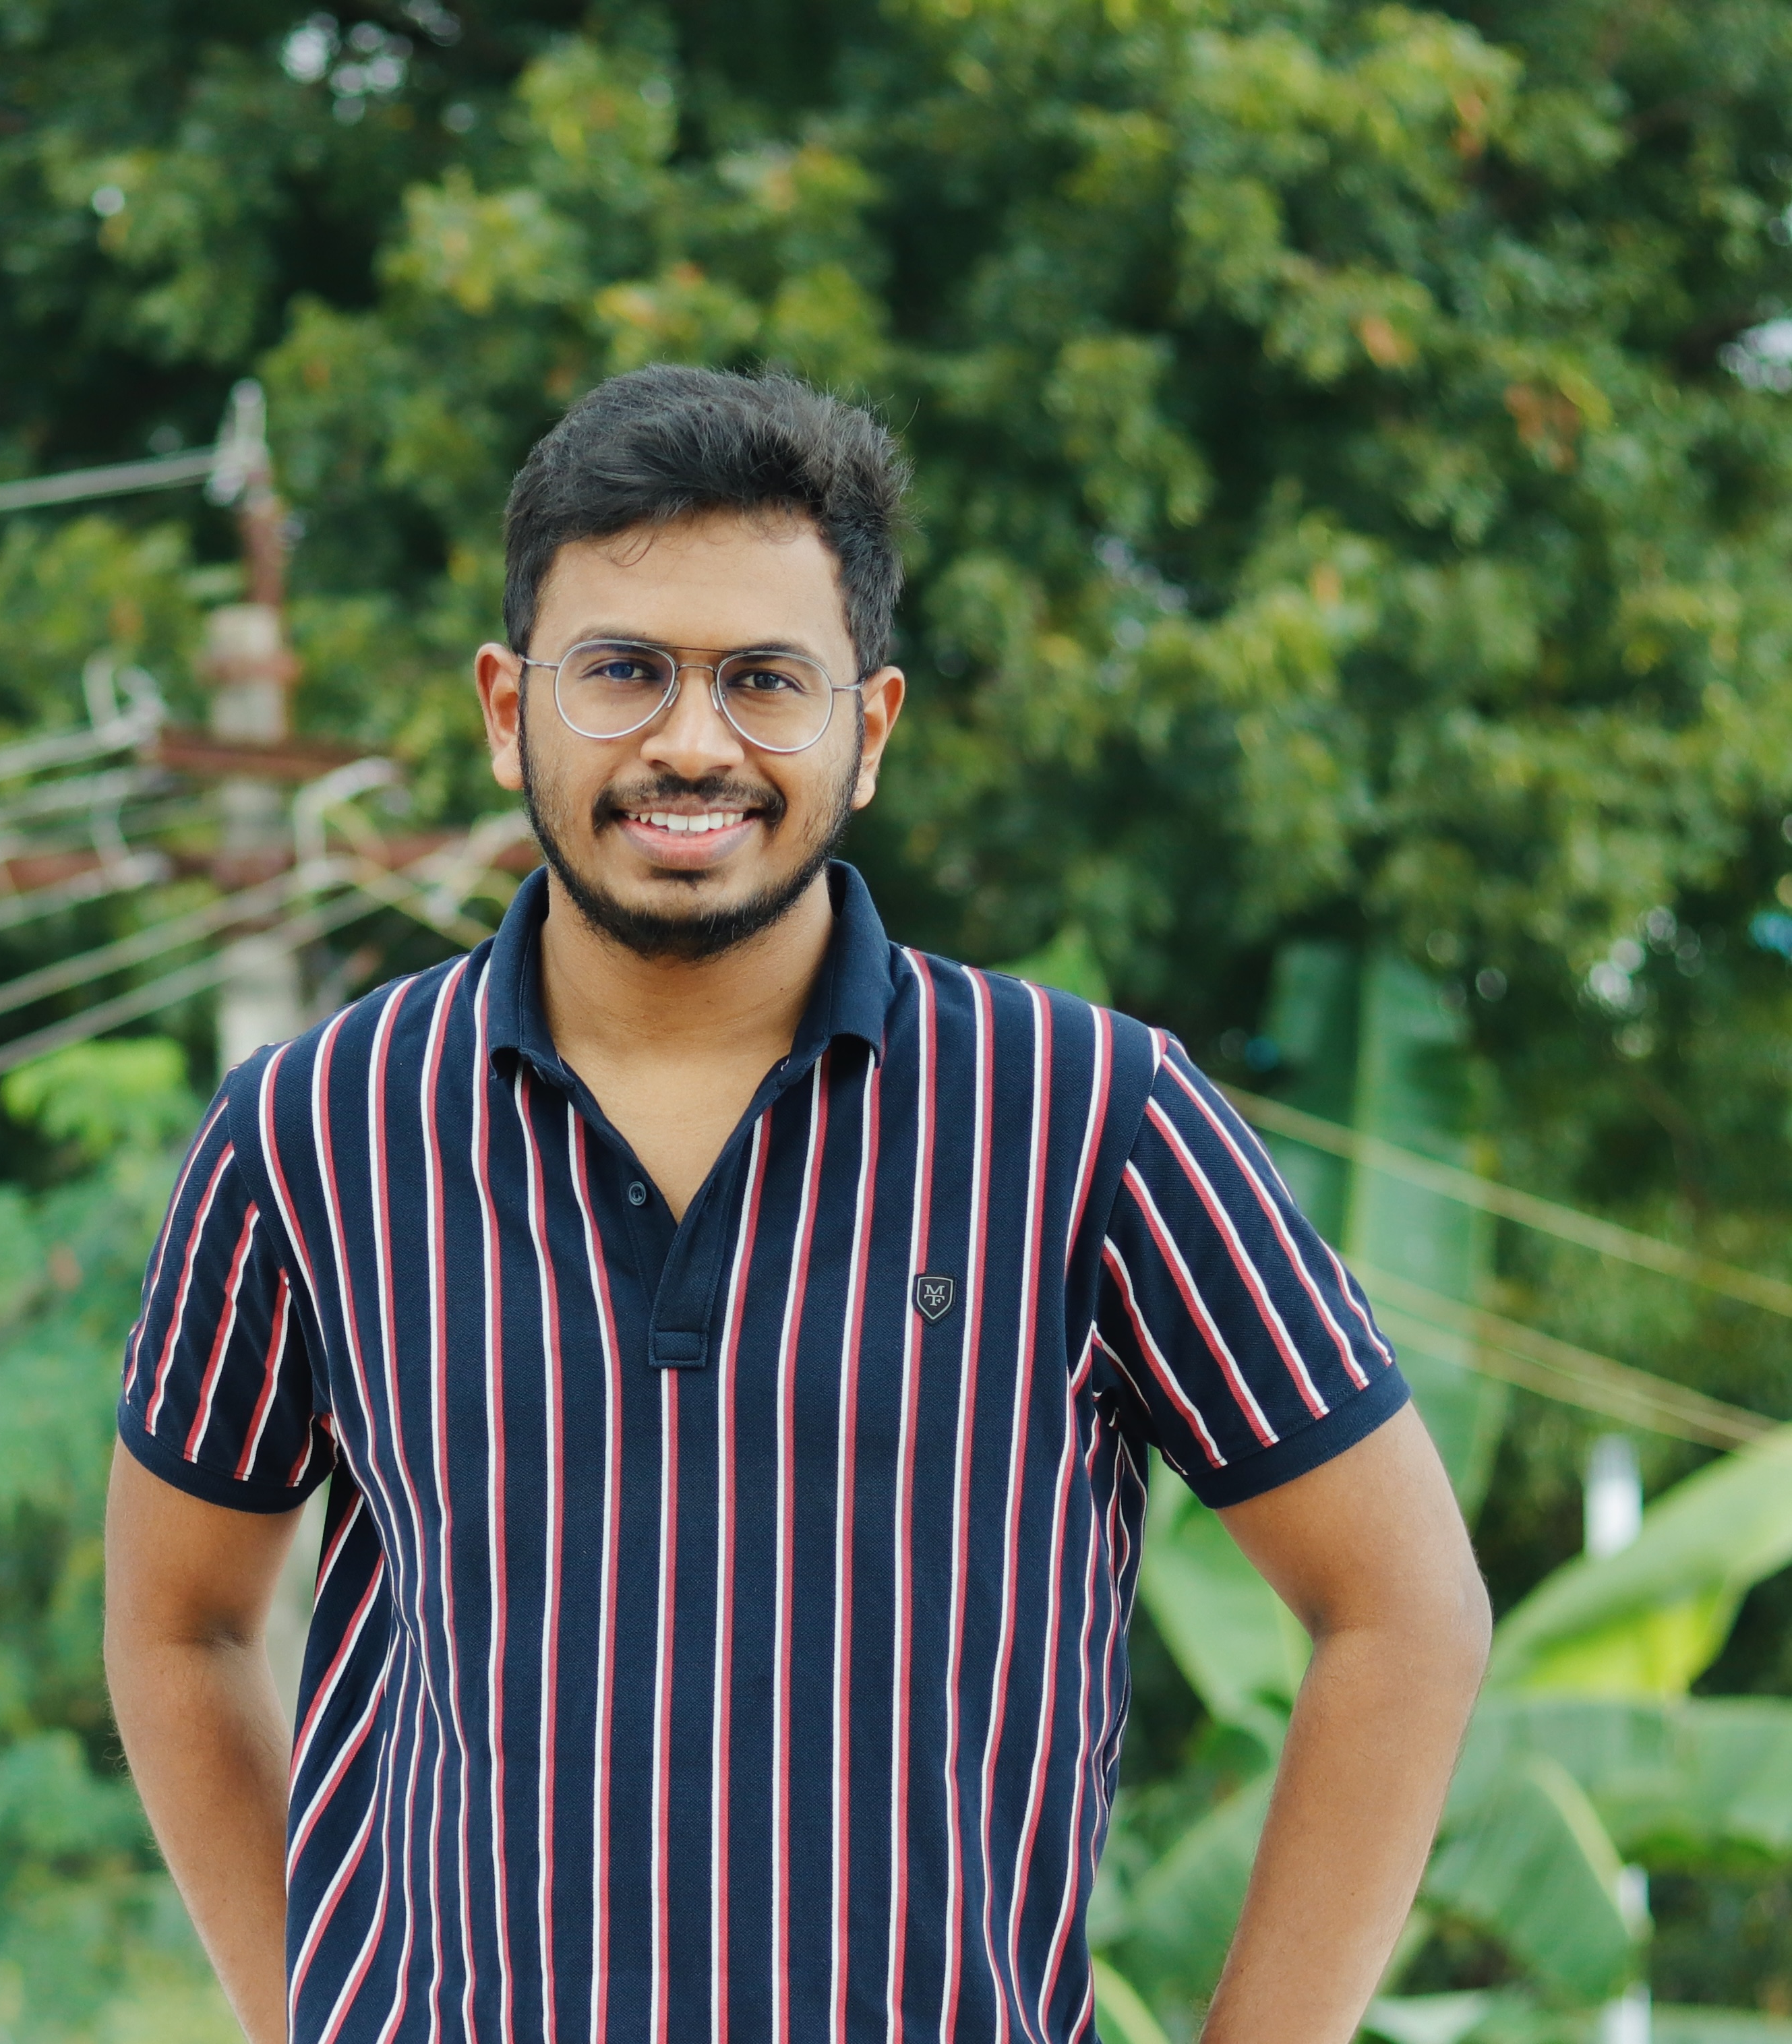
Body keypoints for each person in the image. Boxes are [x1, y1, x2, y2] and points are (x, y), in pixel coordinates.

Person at [102, 365, 1491, 2044]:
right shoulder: (315, 1132)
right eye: (621, 672)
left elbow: (1402, 1612)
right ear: (504, 706)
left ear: (869, 727)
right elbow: (178, 1626)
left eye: (764, 681)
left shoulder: (1088, 1118)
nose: (691, 743)